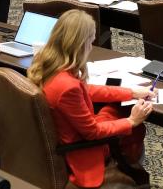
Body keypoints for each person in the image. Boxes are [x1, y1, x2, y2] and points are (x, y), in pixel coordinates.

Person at [28, 10, 154, 188]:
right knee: (135, 127)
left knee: (118, 108)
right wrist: (131, 121)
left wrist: (131, 92)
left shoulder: (47, 63)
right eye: (90, 41)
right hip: (80, 148)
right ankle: (132, 174)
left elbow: (87, 90)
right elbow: (92, 132)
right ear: (80, 44)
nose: (91, 47)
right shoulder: (67, 86)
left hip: (67, 131)